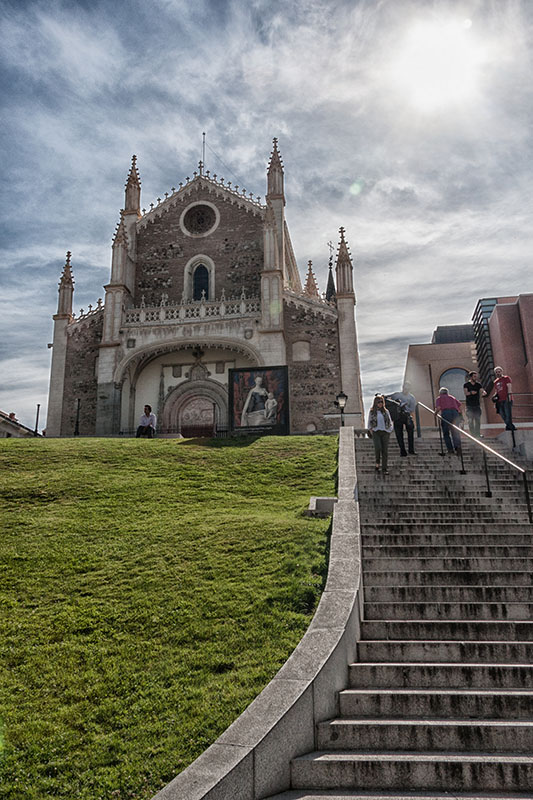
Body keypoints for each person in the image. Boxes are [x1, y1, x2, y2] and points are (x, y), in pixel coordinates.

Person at [388, 381, 417, 457]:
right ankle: (402, 451)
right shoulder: (397, 395)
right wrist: (395, 404)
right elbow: (387, 398)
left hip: (407, 415)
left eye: (407, 388)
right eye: (404, 388)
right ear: (402, 388)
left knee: (410, 432)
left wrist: (405, 407)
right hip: (398, 416)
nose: (405, 389)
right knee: (399, 434)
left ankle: (411, 450)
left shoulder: (411, 397)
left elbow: (412, 409)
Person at [367, 395, 394, 475]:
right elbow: (369, 421)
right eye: (378, 402)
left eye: (381, 402)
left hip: (385, 432)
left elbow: (390, 421)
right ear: (375, 403)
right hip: (376, 431)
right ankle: (377, 463)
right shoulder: (372, 412)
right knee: (378, 448)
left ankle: (384, 468)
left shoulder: (386, 412)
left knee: (385, 450)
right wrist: (370, 429)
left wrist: (389, 429)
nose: (380, 404)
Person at [435, 388, 463, 454]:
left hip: (446, 413)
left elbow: (438, 408)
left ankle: (450, 449)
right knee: (455, 431)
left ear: (440, 393)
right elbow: (460, 406)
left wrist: (435, 413)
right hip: (455, 413)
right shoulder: (452, 398)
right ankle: (458, 446)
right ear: (447, 393)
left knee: (446, 432)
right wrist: (460, 415)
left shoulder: (439, 398)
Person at [463, 370, 486, 438]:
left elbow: (482, 390)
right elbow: (466, 393)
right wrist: (471, 393)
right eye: (474, 376)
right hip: (469, 406)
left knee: (477, 420)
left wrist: (484, 392)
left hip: (477, 405)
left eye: (476, 376)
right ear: (471, 377)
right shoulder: (466, 385)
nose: (476, 378)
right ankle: (472, 434)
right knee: (470, 420)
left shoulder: (478, 384)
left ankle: (477, 434)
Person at [493, 366, 516, 431]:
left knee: (507, 413)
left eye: (499, 371)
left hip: (506, 398)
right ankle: (509, 425)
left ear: (501, 372)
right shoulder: (495, 382)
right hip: (499, 400)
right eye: (496, 372)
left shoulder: (506, 378)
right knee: (501, 413)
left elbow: (509, 387)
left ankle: (510, 426)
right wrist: (494, 397)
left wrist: (509, 396)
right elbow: (496, 391)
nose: (498, 373)